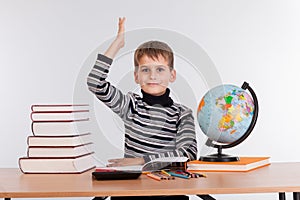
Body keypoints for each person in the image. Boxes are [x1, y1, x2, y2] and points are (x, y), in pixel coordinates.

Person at [87, 17, 198, 200]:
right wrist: (117, 44)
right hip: (132, 192)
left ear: (172, 75)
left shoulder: (181, 114)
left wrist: (142, 161)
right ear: (136, 76)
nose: (153, 76)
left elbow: (187, 154)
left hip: (168, 192)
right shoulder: (131, 105)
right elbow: (94, 82)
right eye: (145, 70)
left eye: (160, 69)